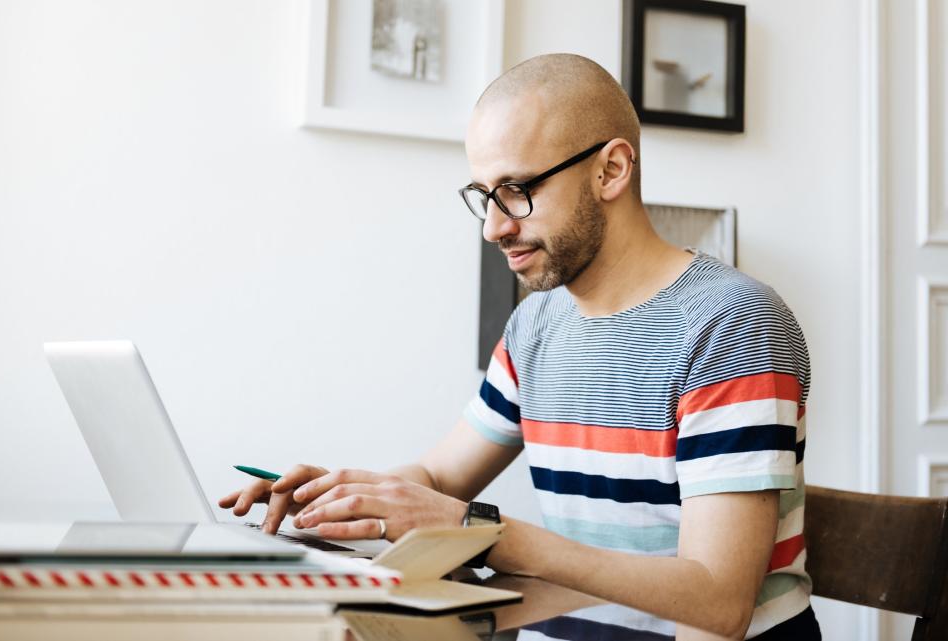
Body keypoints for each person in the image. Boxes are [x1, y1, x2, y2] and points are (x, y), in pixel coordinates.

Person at [218, 54, 819, 640]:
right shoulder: (536, 324)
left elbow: (720, 603)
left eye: (516, 189)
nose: (494, 226)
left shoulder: (732, 326)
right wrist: (342, 499)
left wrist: (484, 530)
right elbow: (440, 477)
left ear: (611, 170)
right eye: (484, 195)